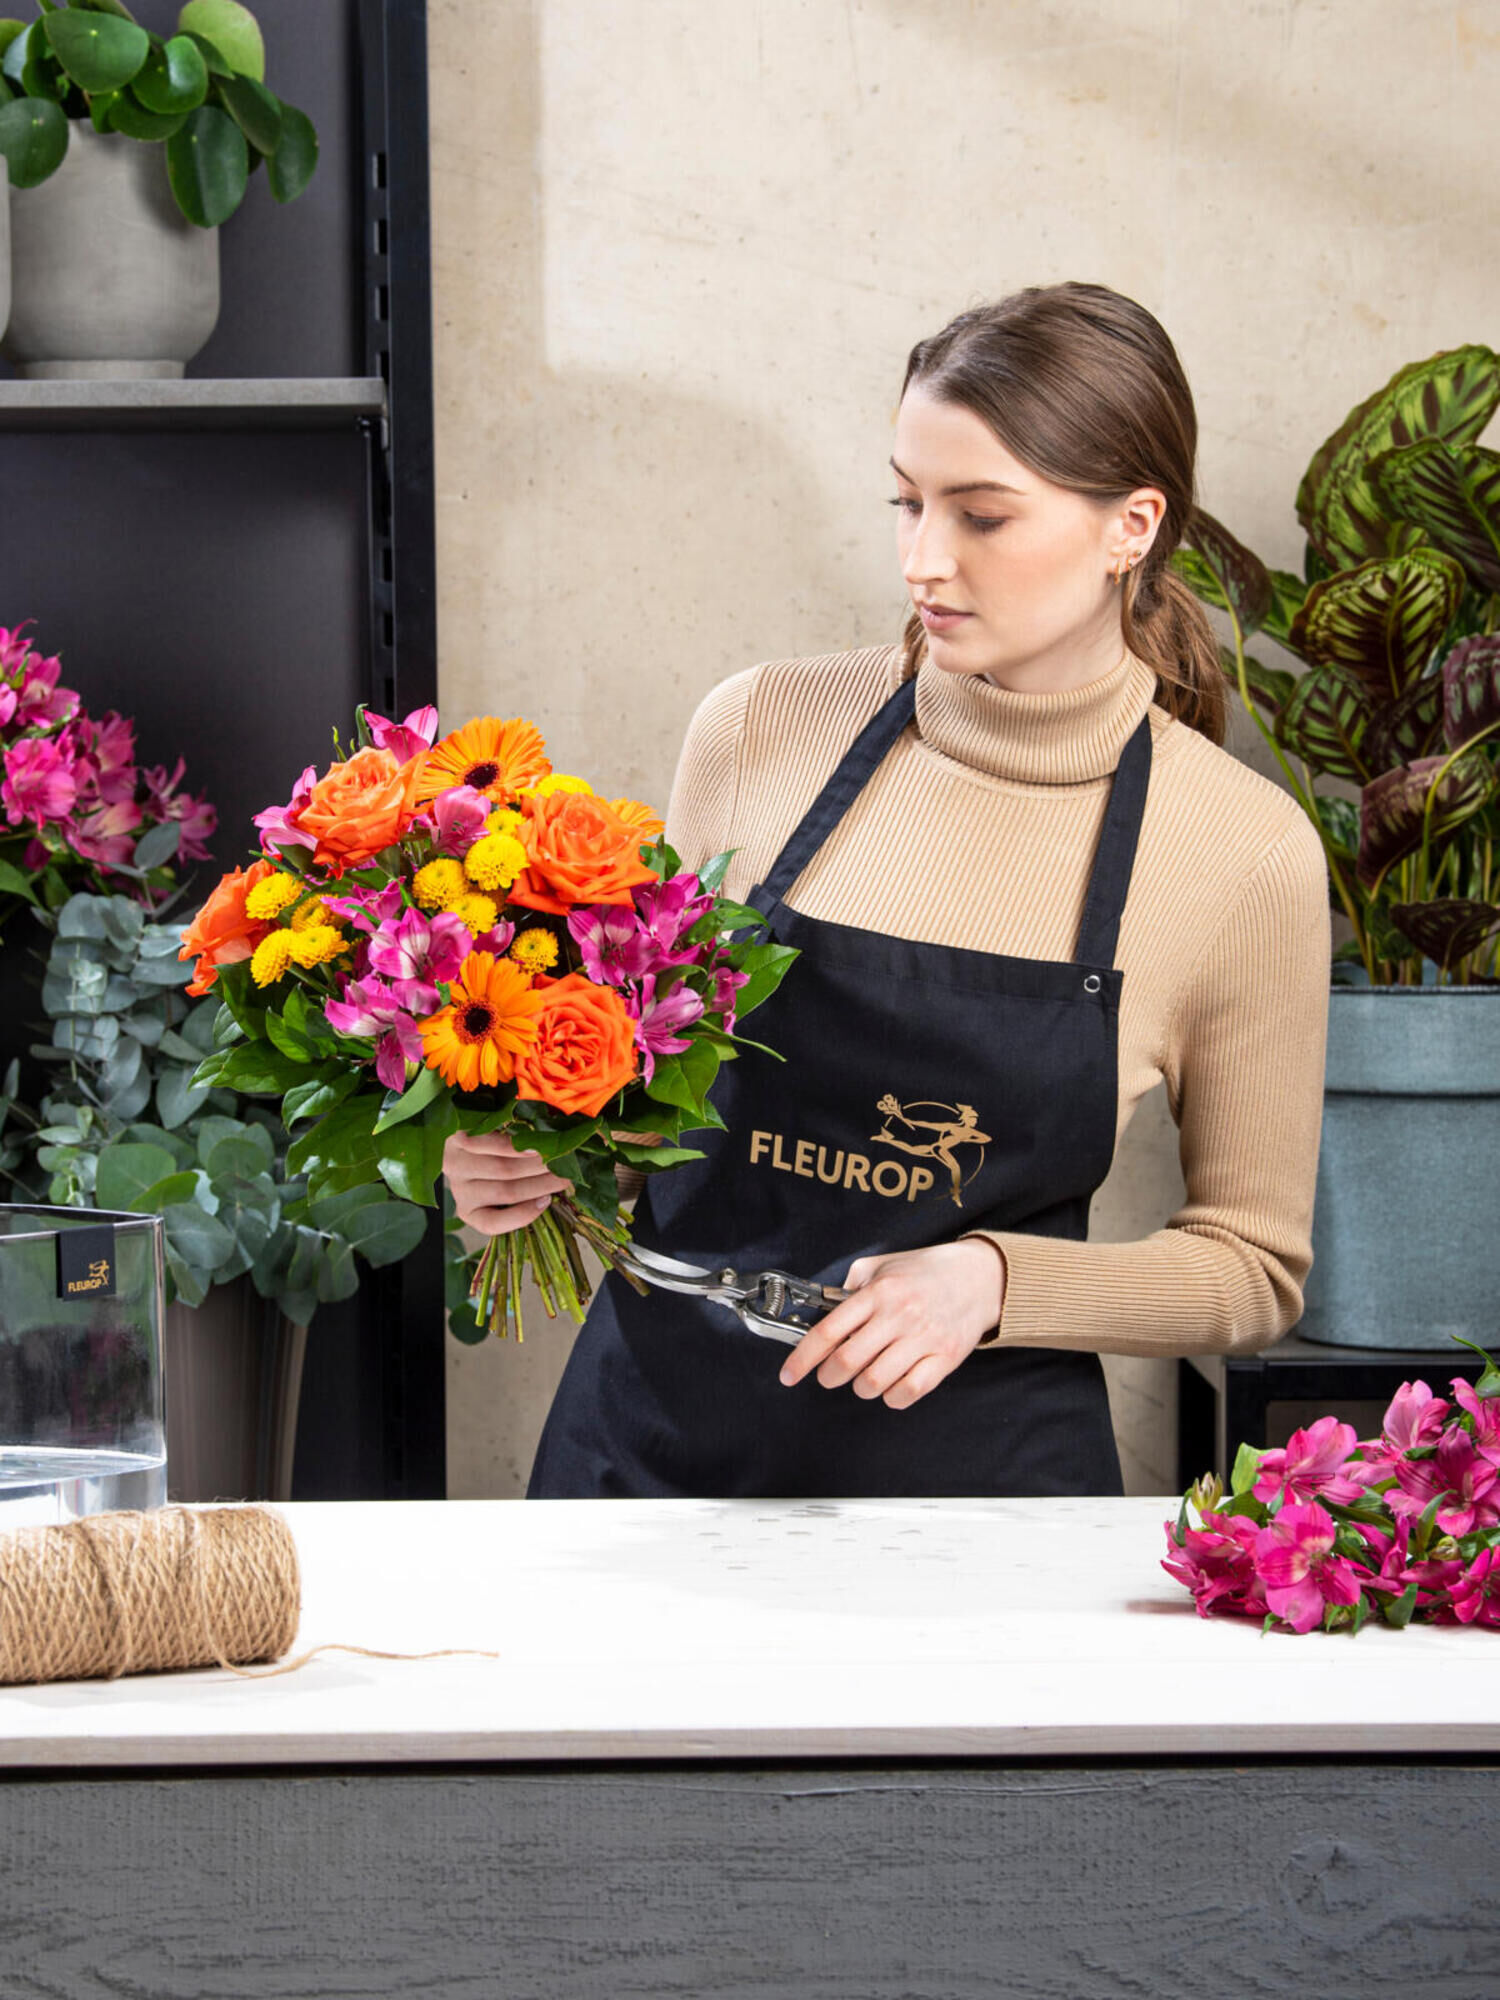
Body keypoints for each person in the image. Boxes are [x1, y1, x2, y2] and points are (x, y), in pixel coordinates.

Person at [443, 281, 1331, 1500]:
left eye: (982, 516)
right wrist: (533, 1163)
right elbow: (648, 1115)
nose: (924, 560)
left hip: (979, 1510)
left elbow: (1252, 1269)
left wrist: (998, 1280)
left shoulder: (1241, 850)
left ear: (1132, 524)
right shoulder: (758, 728)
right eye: (908, 502)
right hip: (643, 1462)